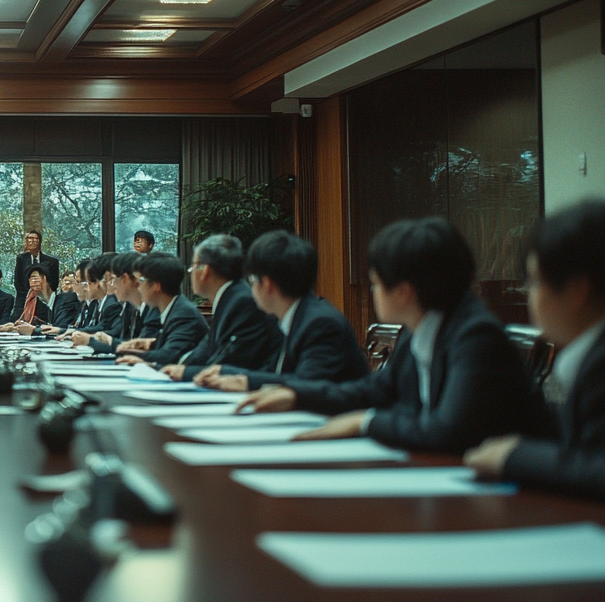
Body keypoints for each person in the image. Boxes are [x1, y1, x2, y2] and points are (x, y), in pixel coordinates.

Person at [238, 218, 552, 453]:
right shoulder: (425, 327)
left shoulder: (475, 335)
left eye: (375, 284)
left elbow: (449, 430)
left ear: (403, 292)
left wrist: (365, 422)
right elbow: (374, 390)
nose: (373, 292)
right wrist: (298, 394)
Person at [466, 199, 605, 498]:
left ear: (577, 289)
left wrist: (514, 457)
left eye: (535, 283)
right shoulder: (584, 356)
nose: (530, 297)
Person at [194, 231, 368, 391]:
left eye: (253, 279)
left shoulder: (320, 323)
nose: (250, 288)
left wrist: (246, 380)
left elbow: (305, 385)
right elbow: (275, 373)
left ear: (268, 284)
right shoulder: (296, 316)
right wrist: (230, 373)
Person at [159, 234, 283, 382]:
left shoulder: (241, 302)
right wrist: (167, 367)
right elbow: (205, 351)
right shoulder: (229, 297)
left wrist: (185, 372)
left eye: (192, 267)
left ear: (205, 271)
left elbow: (230, 361)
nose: (190, 273)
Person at [113, 253, 208, 366]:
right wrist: (150, 344)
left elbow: (169, 355)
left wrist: (130, 354)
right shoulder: (172, 308)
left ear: (156, 286)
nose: (138, 287)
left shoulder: (184, 313)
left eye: (141, 281)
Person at [13, 230, 60, 300]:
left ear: (40, 242)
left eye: (35, 238)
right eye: (30, 238)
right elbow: (18, 282)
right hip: (24, 299)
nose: (32, 241)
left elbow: (54, 284)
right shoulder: (21, 259)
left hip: (45, 298)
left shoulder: (52, 262)